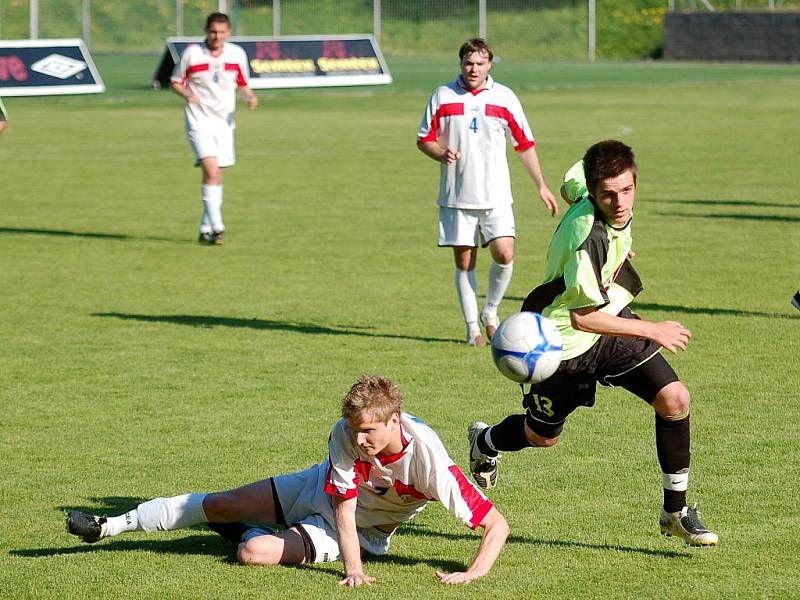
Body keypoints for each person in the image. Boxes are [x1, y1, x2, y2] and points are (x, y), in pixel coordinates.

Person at [467, 140, 719, 547]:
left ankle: (675, 511)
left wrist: (618, 250)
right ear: (595, 191)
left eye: (625, 190)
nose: (618, 202)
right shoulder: (591, 237)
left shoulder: (586, 185)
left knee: (675, 399)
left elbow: (571, 185)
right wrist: (654, 329)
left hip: (612, 318)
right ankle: (486, 441)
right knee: (541, 437)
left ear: (634, 181)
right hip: (561, 345)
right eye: (608, 195)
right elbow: (581, 316)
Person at [66, 375, 509, 586]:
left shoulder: (430, 459)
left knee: (252, 552)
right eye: (354, 429)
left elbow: (496, 525)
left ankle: (250, 531)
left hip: (359, 532)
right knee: (221, 502)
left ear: (394, 421)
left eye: (368, 431)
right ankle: (109, 526)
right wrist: (353, 573)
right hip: (320, 489)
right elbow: (342, 499)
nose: (359, 439)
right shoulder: (346, 434)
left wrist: (472, 573)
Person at [417, 38, 558, 347]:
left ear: (489, 65)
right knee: (465, 263)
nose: (474, 69)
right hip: (457, 196)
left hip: (496, 196)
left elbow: (524, 144)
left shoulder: (505, 98)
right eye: (469, 63)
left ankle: (490, 313)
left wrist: (541, 185)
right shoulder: (442, 96)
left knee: (505, 254)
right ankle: (472, 330)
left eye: (480, 63)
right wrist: (440, 153)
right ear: (460, 64)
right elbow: (424, 138)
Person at [169, 12, 258, 246]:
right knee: (211, 171)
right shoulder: (192, 53)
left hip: (224, 124)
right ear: (206, 31)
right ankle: (218, 227)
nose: (216, 36)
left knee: (216, 176)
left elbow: (242, 84)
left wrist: (249, 97)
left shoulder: (237, 54)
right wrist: (189, 94)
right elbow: (175, 81)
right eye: (213, 31)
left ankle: (205, 229)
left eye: (221, 32)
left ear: (228, 33)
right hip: (198, 120)